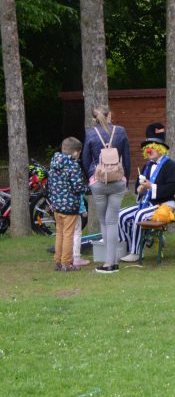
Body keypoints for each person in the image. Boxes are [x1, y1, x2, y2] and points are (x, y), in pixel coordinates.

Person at [117, 123, 175, 262]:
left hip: (166, 205)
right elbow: (139, 186)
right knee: (121, 215)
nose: (149, 149)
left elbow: (173, 189)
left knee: (139, 215)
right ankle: (127, 248)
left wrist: (151, 187)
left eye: (152, 146)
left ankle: (136, 253)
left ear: (161, 149)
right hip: (148, 204)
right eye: (147, 147)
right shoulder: (147, 166)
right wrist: (140, 189)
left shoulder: (172, 166)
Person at [82, 106, 131, 274]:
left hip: (98, 181)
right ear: (109, 115)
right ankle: (112, 261)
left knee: (104, 221)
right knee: (113, 221)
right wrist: (125, 179)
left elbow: (86, 159)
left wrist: (91, 176)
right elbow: (127, 157)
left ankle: (109, 262)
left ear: (93, 118)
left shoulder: (90, 133)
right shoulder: (121, 131)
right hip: (118, 180)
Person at [49, 137, 87, 271]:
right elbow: (78, 187)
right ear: (76, 152)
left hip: (56, 205)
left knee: (59, 233)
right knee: (68, 234)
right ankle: (66, 263)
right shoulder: (73, 165)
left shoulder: (54, 162)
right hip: (70, 206)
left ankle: (58, 261)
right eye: (80, 152)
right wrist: (86, 188)